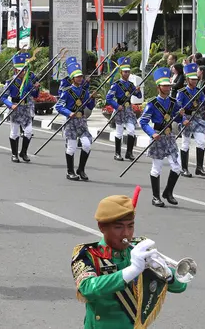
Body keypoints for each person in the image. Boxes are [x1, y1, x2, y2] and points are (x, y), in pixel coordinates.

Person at [72, 194, 188, 328]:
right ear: (102, 227)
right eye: (118, 227)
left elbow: (180, 286)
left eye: (130, 226)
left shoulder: (139, 248)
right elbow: (87, 288)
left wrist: (167, 273)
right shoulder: (88, 254)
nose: (126, 233)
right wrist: (132, 271)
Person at [139, 67, 184, 207]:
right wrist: (152, 133)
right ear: (159, 87)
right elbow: (143, 121)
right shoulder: (152, 104)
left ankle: (168, 192)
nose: (168, 88)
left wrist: (183, 119)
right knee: (156, 168)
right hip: (157, 137)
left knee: (177, 167)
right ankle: (155, 197)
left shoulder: (173, 102)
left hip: (169, 137)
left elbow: (177, 117)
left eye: (169, 85)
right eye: (165, 85)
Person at [56, 62, 95, 181]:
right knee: (71, 148)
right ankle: (70, 171)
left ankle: (81, 169)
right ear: (73, 78)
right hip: (71, 122)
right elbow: (58, 106)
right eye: (77, 77)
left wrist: (92, 98)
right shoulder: (67, 91)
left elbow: (90, 106)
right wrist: (68, 113)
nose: (80, 78)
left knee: (87, 145)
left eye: (81, 77)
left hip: (82, 121)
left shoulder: (84, 91)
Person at [2, 53, 39, 163]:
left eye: (23, 70)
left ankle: (23, 152)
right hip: (15, 108)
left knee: (28, 131)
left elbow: (35, 95)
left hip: (26, 108)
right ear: (15, 70)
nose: (22, 73)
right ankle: (14, 154)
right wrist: (10, 105)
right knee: (14, 133)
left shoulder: (28, 82)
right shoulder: (10, 82)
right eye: (19, 70)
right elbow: (3, 97)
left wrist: (36, 88)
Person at [105, 57, 141, 162]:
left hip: (128, 109)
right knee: (119, 131)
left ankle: (129, 153)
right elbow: (108, 98)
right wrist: (116, 106)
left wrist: (138, 91)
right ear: (121, 72)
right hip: (120, 109)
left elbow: (138, 96)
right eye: (125, 72)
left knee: (131, 130)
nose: (127, 74)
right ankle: (117, 153)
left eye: (128, 72)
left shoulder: (131, 85)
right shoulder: (116, 85)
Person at [177, 63, 205, 177]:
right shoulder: (182, 92)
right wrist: (182, 119)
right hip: (186, 118)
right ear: (187, 79)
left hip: (197, 119)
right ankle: (184, 168)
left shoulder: (198, 91)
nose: (195, 81)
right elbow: (178, 107)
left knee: (201, 142)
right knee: (185, 143)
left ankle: (199, 168)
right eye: (192, 79)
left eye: (196, 79)